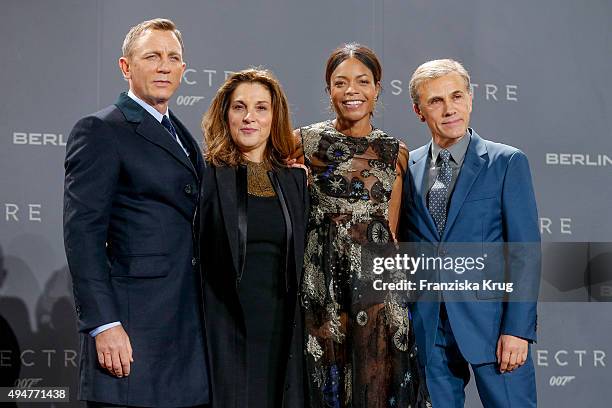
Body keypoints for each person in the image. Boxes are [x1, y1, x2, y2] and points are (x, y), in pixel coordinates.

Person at [63, 18, 209, 407]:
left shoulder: (180, 133)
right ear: (126, 67)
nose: (164, 66)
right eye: (152, 56)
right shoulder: (100, 130)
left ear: (183, 70)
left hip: (186, 335)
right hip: (133, 331)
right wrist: (104, 325)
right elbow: (83, 235)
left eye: (172, 57)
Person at [292, 43, 430, 407]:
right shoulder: (303, 142)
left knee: (377, 380)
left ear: (377, 88)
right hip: (322, 282)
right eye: (341, 82)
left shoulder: (393, 152)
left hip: (378, 286)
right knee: (325, 380)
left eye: (362, 81)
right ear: (328, 90)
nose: (352, 90)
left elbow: (392, 229)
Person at [400, 59, 540, 407]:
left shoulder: (506, 162)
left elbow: (524, 253)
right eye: (436, 101)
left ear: (471, 99)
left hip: (493, 329)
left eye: (457, 96)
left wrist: (517, 330)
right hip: (429, 333)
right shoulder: (406, 168)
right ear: (418, 110)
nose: (449, 109)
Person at [199, 68, 309, 408]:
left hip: (282, 330)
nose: (250, 117)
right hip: (224, 331)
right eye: (239, 107)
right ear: (225, 114)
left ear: (274, 117)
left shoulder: (295, 181)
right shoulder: (207, 176)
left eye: (261, 108)